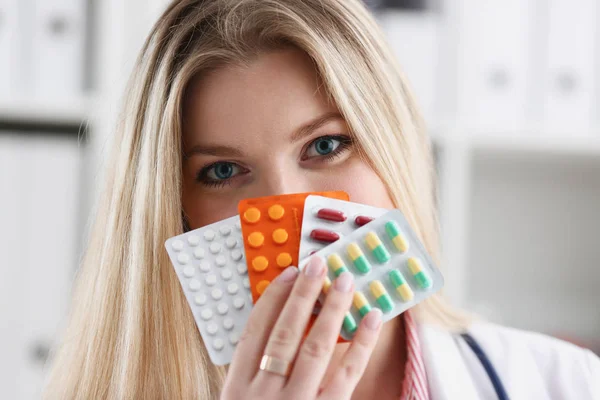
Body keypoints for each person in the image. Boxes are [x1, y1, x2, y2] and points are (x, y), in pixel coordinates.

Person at [43, 0, 600, 399]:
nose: (288, 208)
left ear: (393, 151)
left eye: (326, 145)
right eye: (222, 170)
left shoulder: (567, 384)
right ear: (173, 210)